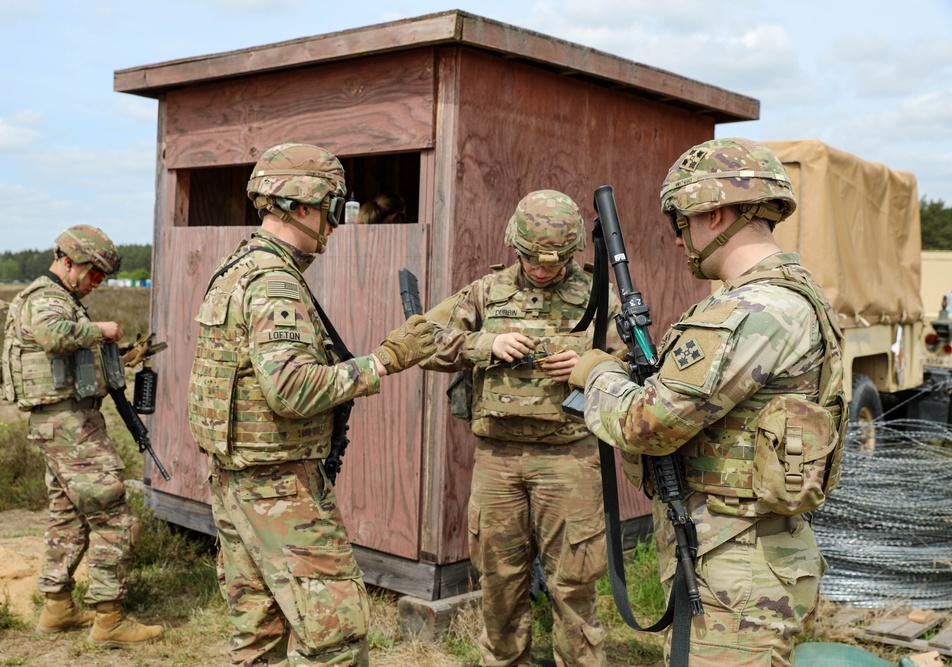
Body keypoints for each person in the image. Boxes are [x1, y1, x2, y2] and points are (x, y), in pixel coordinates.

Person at [570, 138, 846, 666]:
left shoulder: (752, 310)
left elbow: (645, 423)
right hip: (748, 554)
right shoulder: (791, 294)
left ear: (714, 212)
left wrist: (597, 373)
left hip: (739, 570)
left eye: (681, 222)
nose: (678, 240)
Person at [187, 143, 438, 667]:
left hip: (237, 482)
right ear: (301, 206)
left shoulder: (237, 267)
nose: (336, 224)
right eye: (332, 209)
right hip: (280, 490)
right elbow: (292, 388)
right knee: (336, 640)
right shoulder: (275, 280)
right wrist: (387, 360)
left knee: (258, 637)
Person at [420, 190, 621, 667]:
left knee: (574, 583)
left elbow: (638, 363)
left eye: (554, 260)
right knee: (499, 581)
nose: (542, 269)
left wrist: (591, 364)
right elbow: (421, 342)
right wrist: (486, 343)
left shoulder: (599, 296)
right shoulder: (486, 293)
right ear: (514, 243)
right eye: (531, 258)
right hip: (498, 461)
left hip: (569, 458)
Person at [0, 225, 163, 646]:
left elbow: (68, 362)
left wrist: (121, 358)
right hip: (70, 427)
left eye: (102, 278)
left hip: (62, 423)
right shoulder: (47, 299)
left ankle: (57, 606)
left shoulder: (56, 297)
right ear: (68, 262)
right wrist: (101, 331)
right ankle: (109, 619)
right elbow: (54, 337)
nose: (96, 283)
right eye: (93, 274)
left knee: (68, 516)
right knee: (115, 517)